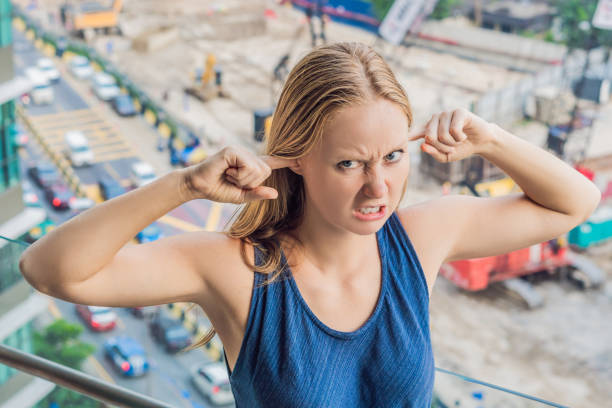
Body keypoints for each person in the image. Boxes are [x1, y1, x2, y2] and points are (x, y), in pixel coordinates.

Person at [18, 42, 600, 406]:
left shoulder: (420, 239)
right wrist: (187, 184)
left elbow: (574, 203)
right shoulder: (239, 270)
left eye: (394, 157)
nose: (379, 189)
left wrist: (491, 139)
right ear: (296, 158)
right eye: (350, 164)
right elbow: (49, 270)